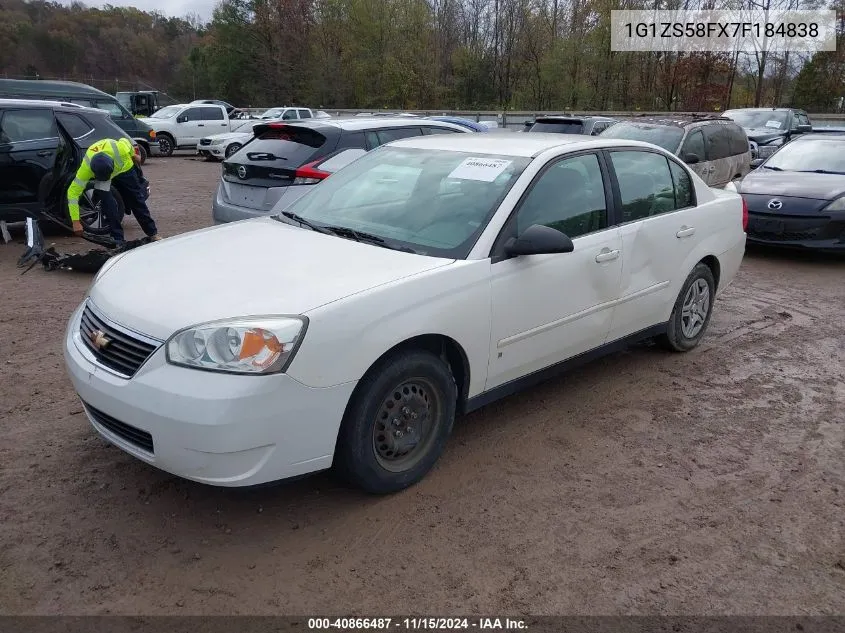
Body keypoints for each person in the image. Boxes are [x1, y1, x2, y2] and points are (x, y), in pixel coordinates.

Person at [66, 138, 160, 246]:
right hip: (104, 178)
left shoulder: (121, 149)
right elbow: (72, 193)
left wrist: (134, 156)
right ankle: (118, 239)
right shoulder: (86, 169)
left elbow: (125, 141)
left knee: (136, 200)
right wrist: (75, 221)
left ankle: (153, 233)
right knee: (108, 205)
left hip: (124, 168)